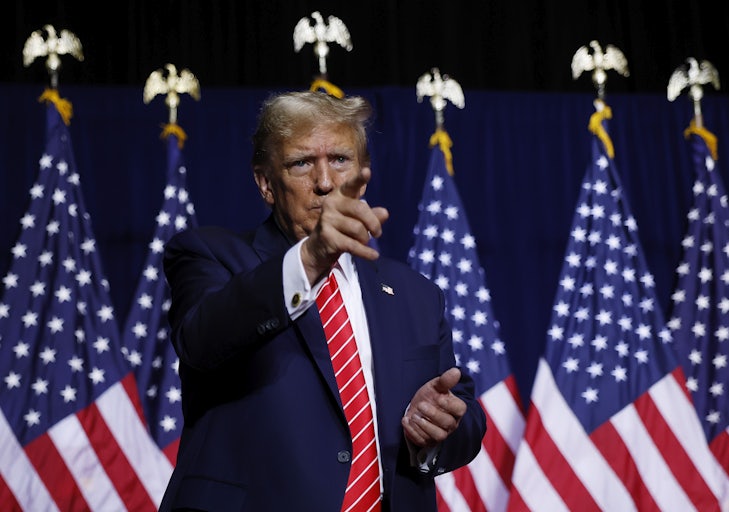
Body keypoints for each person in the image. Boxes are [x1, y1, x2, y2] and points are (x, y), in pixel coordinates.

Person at [158, 90, 486, 512]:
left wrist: (433, 430)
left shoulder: (416, 294)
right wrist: (311, 259)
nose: (325, 182)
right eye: (301, 164)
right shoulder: (208, 255)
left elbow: (465, 413)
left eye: (340, 160)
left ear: (362, 174)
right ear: (265, 183)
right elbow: (202, 339)